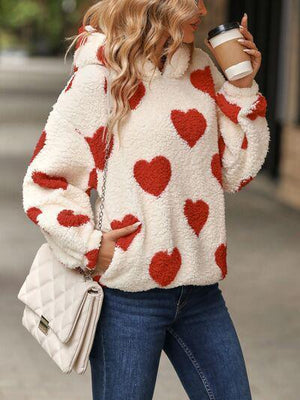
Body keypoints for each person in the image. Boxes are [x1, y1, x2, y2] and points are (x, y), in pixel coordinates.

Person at [22, 0, 270, 399]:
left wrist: (241, 89)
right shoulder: (98, 79)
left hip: (201, 293)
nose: (203, 10)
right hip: (127, 301)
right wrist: (89, 246)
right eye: (191, 1)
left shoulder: (201, 70)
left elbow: (234, 171)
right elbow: (45, 180)